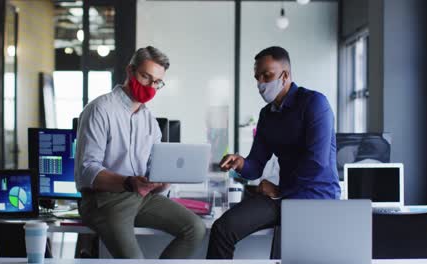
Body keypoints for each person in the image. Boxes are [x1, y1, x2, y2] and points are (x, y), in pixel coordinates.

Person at [206, 46, 341, 259]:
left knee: (289, 254)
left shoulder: (315, 103)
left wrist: (279, 189)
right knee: (223, 229)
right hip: (283, 197)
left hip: (315, 197)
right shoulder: (267, 114)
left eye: (267, 76)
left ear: (285, 75)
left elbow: (316, 162)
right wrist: (240, 163)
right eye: (257, 77)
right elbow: (255, 165)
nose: (261, 83)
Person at [75, 46, 206, 259]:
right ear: (130, 71)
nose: (150, 86)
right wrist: (129, 182)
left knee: (195, 228)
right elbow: (87, 171)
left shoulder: (150, 122)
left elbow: (151, 170)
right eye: (146, 77)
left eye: (157, 82)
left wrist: (162, 182)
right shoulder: (100, 109)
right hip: (104, 200)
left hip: (141, 197)